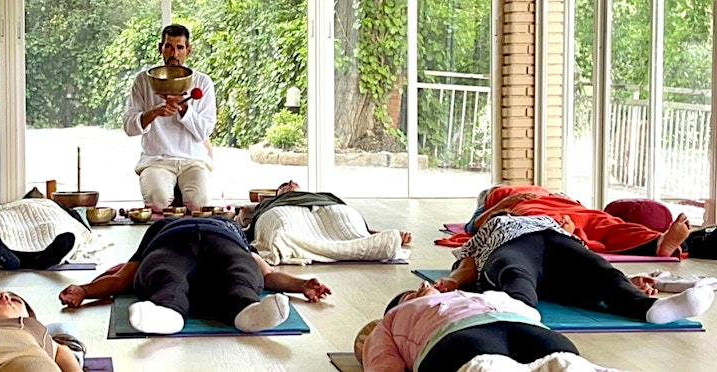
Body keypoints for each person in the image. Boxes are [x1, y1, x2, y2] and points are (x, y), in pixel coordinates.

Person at [58, 216, 332, 334]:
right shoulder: (160, 226)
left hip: (224, 243)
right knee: (166, 274)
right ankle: (167, 313)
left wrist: (302, 284)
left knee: (239, 272)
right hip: (171, 244)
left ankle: (249, 312)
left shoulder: (229, 226)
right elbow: (122, 278)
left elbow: (267, 274)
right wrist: (84, 290)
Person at [437, 212, 714, 325]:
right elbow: (468, 264)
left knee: (604, 272)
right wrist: (453, 281)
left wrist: (626, 281)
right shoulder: (491, 228)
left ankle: (651, 309)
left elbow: (584, 259)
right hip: (513, 246)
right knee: (515, 274)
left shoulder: (547, 220)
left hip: (559, 243)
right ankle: (519, 313)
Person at [360, 283, 589, 372]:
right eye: (410, 294)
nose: (423, 285)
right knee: (565, 365)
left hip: (521, 329)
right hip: (464, 337)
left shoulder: (485, 294)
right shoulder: (392, 318)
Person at [123, 24, 217, 212]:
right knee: (157, 202)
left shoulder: (202, 82)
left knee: (201, 205)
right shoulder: (143, 80)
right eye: (169, 46)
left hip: (193, 160)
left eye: (180, 47)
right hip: (156, 160)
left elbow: (204, 132)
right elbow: (129, 127)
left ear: (188, 50)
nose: (174, 53)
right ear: (161, 48)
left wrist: (184, 108)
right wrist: (155, 112)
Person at [463, 184, 691, 257]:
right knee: (547, 223)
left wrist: (566, 199)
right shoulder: (496, 195)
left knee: (608, 223)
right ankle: (571, 236)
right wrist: (503, 203)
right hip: (533, 209)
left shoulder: (546, 190)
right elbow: (473, 226)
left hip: (570, 207)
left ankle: (657, 242)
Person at [246, 180, 412, 265]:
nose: (290, 182)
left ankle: (374, 242)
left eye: (295, 183)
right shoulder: (271, 203)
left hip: (327, 207)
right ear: (278, 194)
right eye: (284, 185)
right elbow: (244, 218)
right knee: (283, 221)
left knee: (343, 218)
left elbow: (360, 229)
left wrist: (383, 235)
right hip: (283, 209)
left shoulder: (323, 196)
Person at [0, 197, 109, 269]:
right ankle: (41, 260)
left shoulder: (54, 206)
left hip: (50, 213)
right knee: (0, 223)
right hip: (8, 212)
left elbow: (73, 220)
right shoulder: (2, 208)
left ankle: (9, 257)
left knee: (58, 226)